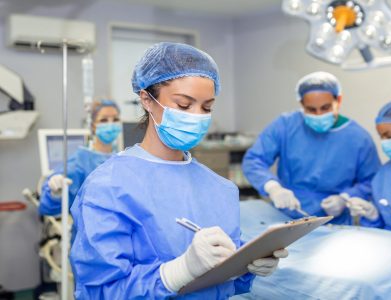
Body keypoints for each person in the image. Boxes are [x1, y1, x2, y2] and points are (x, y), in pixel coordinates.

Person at [69, 42, 288, 299]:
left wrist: (246, 267)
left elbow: (223, 281)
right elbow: (101, 291)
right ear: (147, 100)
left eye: (206, 107)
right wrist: (178, 271)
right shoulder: (109, 186)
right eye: (184, 105)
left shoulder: (220, 188)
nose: (196, 116)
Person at [242, 71, 381, 224]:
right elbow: (253, 160)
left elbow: (371, 180)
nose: (319, 114)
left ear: (338, 100)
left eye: (325, 108)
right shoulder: (286, 126)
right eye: (311, 110)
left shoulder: (358, 138)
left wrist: (344, 198)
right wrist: (273, 187)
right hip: (286, 216)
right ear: (302, 104)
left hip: (333, 222)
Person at [39, 99, 122, 216]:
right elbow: (48, 209)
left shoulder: (122, 159)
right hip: (90, 233)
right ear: (93, 126)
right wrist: (55, 193)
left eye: (115, 119)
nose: (110, 124)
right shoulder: (81, 161)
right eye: (103, 120)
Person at [347, 97, 391, 231]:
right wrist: (373, 216)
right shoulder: (386, 174)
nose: (384, 142)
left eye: (389, 136)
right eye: (381, 136)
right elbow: (385, 229)